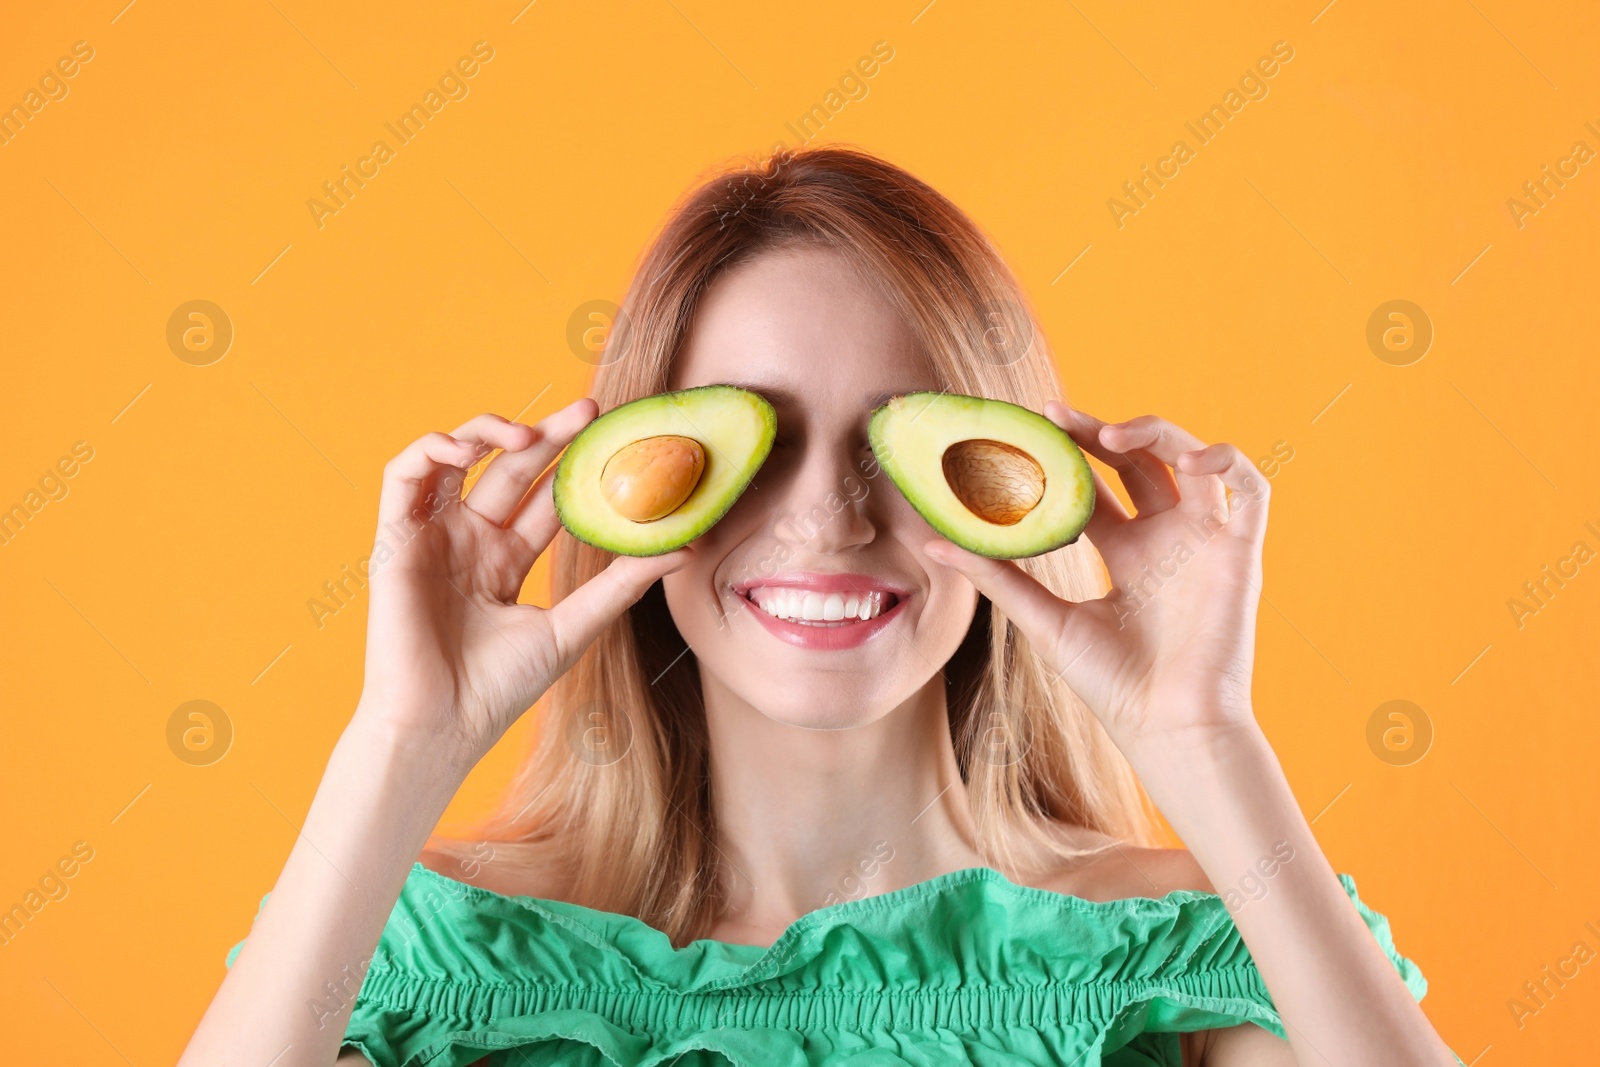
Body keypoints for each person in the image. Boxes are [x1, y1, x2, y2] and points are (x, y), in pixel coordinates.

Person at [180, 145, 1463, 1066]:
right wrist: (401, 747)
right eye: (755, 439)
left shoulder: (1180, 954)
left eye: (898, 444)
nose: (829, 519)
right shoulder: (439, 966)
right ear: (640, 485)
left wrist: (1205, 742)